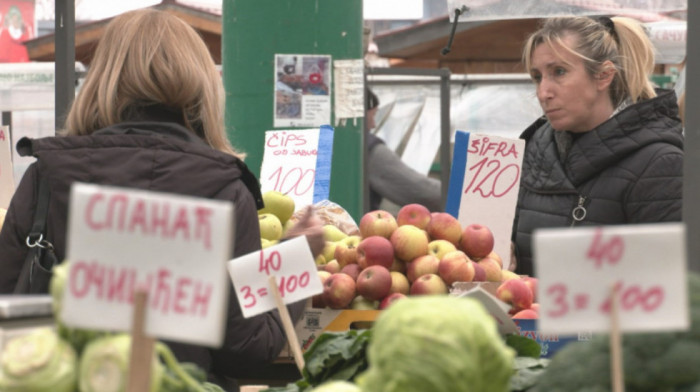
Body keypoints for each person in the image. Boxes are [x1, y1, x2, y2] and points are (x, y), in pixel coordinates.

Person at [0, 9, 322, 391]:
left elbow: (8, 307)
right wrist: (296, 256)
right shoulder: (224, 188)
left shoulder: (46, 175)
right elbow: (247, 347)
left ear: (102, 78)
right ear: (203, 83)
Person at [511, 16, 683, 276]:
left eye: (559, 72)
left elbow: (668, 285)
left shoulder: (660, 164)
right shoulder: (533, 148)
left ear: (603, 76)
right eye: (537, 76)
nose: (543, 92)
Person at [365, 88, 442, 212]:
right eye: (373, 115)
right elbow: (423, 192)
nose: (374, 124)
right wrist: (463, 195)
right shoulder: (368, 150)